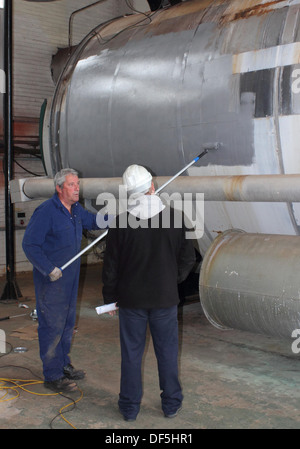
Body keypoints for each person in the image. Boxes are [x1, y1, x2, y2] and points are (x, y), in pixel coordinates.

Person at [102, 164, 195, 421]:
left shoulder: (121, 222)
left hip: (131, 301)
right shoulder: (175, 218)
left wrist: (109, 299)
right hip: (164, 300)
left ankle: (129, 408)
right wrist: (169, 280)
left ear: (128, 193)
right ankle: (171, 404)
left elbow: (110, 267)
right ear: (152, 187)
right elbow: (188, 259)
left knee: (131, 354)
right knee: (167, 353)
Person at [22, 168, 107, 393]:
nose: (77, 188)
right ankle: (52, 375)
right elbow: (29, 245)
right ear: (59, 188)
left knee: (68, 324)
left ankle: (63, 364)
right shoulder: (46, 212)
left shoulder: (77, 210)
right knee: (52, 325)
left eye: (77, 184)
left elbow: (94, 220)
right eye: (72, 184)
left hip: (70, 277)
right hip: (52, 280)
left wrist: (118, 219)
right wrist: (48, 268)